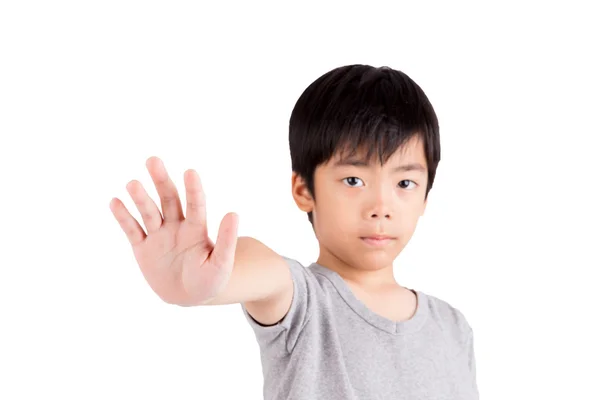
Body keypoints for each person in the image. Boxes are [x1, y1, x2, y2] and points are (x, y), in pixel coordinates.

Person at [110, 64, 479, 399]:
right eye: (353, 180)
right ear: (304, 190)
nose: (381, 206)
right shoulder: (303, 303)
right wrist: (207, 281)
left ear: (427, 195)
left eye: (405, 183)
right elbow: (268, 271)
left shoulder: (453, 327)